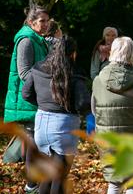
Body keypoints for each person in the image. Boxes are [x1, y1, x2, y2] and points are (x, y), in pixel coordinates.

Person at [22, 35, 91, 193]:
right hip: (64, 127)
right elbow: (82, 103)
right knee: (59, 178)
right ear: (72, 53)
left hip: (41, 125)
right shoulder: (74, 72)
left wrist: (42, 104)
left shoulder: (38, 67)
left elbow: (26, 93)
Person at [92, 36, 133, 194]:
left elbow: (95, 111)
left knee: (114, 182)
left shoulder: (99, 80)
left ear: (112, 52)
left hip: (109, 139)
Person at [3, 5, 49, 192]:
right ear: (31, 22)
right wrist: (45, 83)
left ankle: (34, 182)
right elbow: (24, 73)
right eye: (42, 21)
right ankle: (31, 185)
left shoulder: (38, 39)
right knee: (33, 144)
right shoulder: (27, 41)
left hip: (35, 98)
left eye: (48, 20)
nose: (46, 24)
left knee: (35, 143)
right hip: (27, 100)